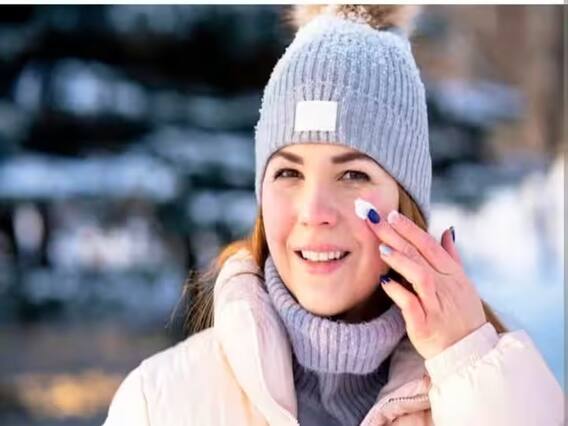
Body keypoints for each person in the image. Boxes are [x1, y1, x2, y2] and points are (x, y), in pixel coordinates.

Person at [103, 5, 564, 426]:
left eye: (352, 175)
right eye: (288, 172)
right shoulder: (159, 403)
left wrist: (469, 362)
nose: (314, 212)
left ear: (405, 202)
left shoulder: (492, 390)